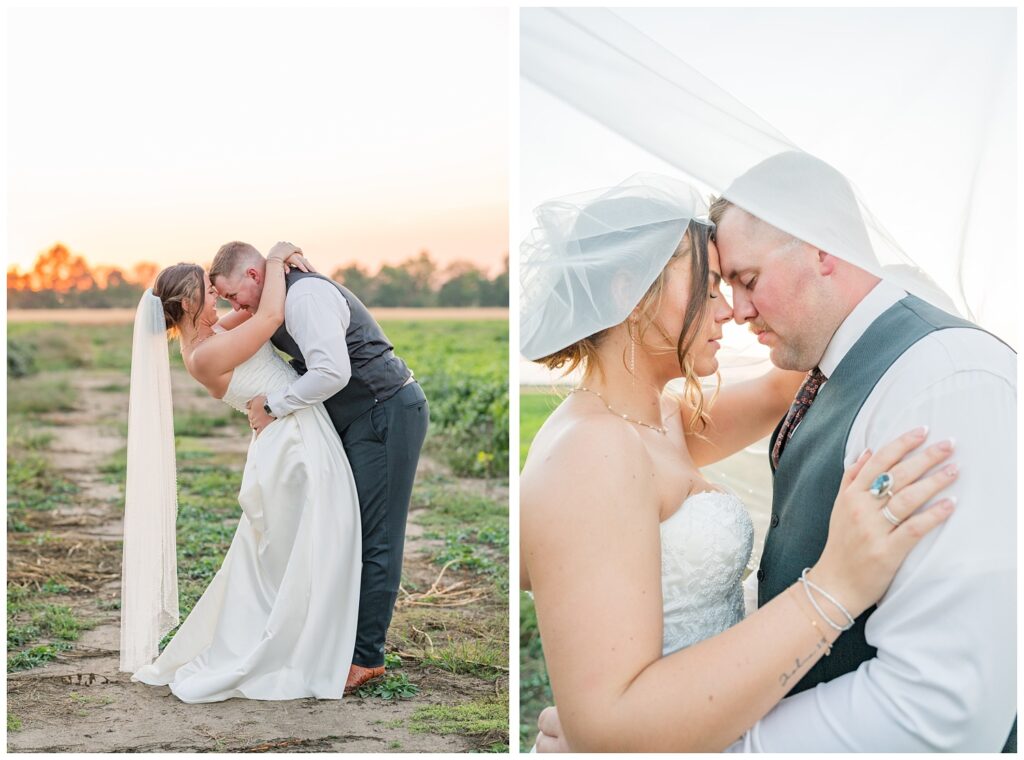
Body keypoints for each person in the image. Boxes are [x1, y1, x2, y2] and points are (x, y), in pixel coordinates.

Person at [520, 175, 960, 752]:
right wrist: (837, 583)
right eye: (707, 290)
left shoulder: (660, 420)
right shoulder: (593, 450)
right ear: (631, 291)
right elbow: (608, 726)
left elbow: (789, 377)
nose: (729, 311)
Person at [125, 243, 363, 703]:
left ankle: (307, 633)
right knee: (296, 550)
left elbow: (257, 313)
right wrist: (275, 258)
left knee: (298, 550)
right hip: (289, 447)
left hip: (293, 433)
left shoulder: (213, 334)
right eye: (210, 295)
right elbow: (271, 318)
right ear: (191, 304)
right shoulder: (203, 356)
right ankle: (290, 644)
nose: (220, 300)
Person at [208, 241, 429, 693]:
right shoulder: (272, 298)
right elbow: (211, 328)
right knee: (343, 526)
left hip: (385, 409)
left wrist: (273, 404)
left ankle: (367, 657)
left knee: (377, 534)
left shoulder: (305, 296)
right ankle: (342, 637)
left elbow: (332, 373)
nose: (235, 306)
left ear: (253, 276)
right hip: (355, 418)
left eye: (235, 296)